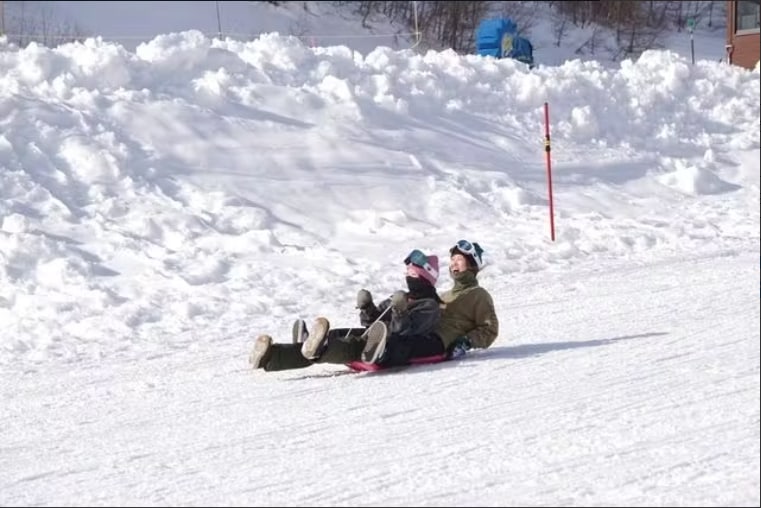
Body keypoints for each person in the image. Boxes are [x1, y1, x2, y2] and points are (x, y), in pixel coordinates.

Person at [249, 239, 499, 371]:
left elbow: (490, 329)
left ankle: (338, 348)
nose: (453, 264)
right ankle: (273, 357)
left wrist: (465, 342)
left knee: (365, 344)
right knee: (340, 335)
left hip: (436, 341)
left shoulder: (478, 295)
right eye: (452, 260)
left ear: (472, 265)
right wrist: (370, 309)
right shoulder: (443, 295)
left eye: (459, 260)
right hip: (420, 333)